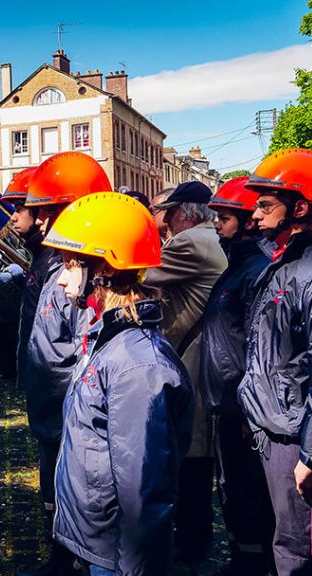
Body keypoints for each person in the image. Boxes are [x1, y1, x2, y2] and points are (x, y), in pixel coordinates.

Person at [43, 192, 194, 576]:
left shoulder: (136, 364)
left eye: (69, 264)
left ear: (104, 270)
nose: (61, 279)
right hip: (99, 539)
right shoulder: (107, 337)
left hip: (118, 552)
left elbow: (144, 486)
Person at [237, 148, 312, 576]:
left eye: (266, 205)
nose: (256, 213)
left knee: (299, 545)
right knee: (280, 538)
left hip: (294, 432)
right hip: (273, 422)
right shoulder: (282, 260)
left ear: (300, 207)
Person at [18, 153, 107, 576]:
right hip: (50, 404)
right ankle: (60, 558)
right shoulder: (59, 263)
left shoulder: (83, 271)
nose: (39, 221)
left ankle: (69, 562)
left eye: (48, 212)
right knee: (54, 492)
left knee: (73, 497)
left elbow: (84, 352)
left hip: (66, 410)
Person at [145, 180, 228, 563]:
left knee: (192, 453)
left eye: (169, 213)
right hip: (202, 352)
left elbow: (141, 274)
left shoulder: (188, 241)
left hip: (192, 357)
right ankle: (197, 535)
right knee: (198, 452)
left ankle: (192, 539)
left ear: (185, 213)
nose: (165, 221)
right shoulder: (210, 237)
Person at [198, 177, 275, 574]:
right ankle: (242, 557)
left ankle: (253, 563)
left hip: (241, 406)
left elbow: (259, 347)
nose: (217, 226)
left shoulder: (257, 270)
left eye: (225, 218)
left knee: (248, 492)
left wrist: (249, 409)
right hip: (226, 402)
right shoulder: (239, 265)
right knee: (231, 489)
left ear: (247, 221)